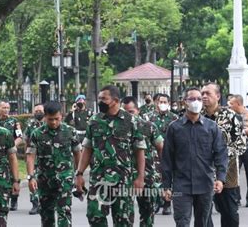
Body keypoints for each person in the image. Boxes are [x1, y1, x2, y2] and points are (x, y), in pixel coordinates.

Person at [75, 85, 147, 226]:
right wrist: (79, 174)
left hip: (123, 180)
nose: (100, 101)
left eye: (104, 99)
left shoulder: (131, 121)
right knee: (94, 215)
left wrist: (140, 177)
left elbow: (139, 151)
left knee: (123, 221)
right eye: (99, 98)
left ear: (115, 100)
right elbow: (87, 149)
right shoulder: (94, 121)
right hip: (99, 179)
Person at [162, 87, 228, 227]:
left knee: (202, 223)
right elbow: (167, 159)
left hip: (205, 184)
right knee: (182, 222)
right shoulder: (174, 128)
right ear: (185, 102)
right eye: (192, 99)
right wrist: (166, 186)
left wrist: (221, 179)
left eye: (199, 99)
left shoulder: (211, 127)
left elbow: (220, 154)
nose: (196, 102)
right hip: (181, 186)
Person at [26, 101, 82, 226]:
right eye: (50, 119)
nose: (53, 122)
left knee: (64, 213)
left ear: (61, 115)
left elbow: (78, 153)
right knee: (46, 215)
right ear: (45, 117)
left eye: (56, 119)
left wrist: (79, 175)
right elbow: (30, 156)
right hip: (45, 180)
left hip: (65, 179)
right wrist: (30, 177)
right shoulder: (37, 134)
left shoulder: (70, 132)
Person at [201, 83, 246, 227]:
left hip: (227, 171)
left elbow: (241, 144)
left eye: (208, 93)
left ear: (218, 96)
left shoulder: (231, 116)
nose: (204, 96)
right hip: (203, 171)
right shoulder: (197, 117)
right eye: (202, 94)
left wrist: (221, 156)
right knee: (203, 213)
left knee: (230, 213)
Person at [122, 96, 164, 227]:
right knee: (124, 214)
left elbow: (160, 147)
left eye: (130, 112)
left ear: (138, 110)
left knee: (147, 213)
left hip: (147, 175)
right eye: (124, 112)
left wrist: (163, 172)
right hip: (125, 175)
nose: (127, 116)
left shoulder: (148, 126)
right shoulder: (118, 129)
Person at [145, 93, 179, 215]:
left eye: (165, 102)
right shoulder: (148, 117)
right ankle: (156, 202)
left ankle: (167, 204)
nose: (163, 104)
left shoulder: (174, 118)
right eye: (160, 102)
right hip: (154, 152)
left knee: (168, 177)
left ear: (169, 103)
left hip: (170, 152)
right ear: (156, 103)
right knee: (155, 178)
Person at [0, 100, 24, 211]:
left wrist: (12, 147)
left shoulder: (14, 122)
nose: (6, 110)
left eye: (7, 108)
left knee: (13, 175)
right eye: (3, 108)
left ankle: (14, 199)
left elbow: (20, 137)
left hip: (10, 153)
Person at [24, 103, 45, 215]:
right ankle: (35, 204)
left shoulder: (50, 122)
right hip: (34, 157)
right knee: (33, 180)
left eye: (40, 111)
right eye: (36, 111)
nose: (38, 113)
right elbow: (26, 140)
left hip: (47, 158)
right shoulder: (30, 125)